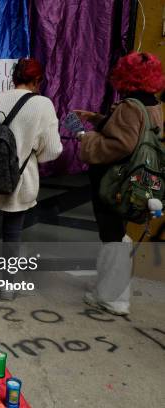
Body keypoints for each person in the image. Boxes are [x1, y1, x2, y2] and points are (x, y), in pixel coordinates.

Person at [75, 52, 164, 316]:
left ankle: (113, 297)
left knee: (112, 236)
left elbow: (121, 144)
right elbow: (132, 134)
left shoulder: (129, 106)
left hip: (115, 185)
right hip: (136, 184)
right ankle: (109, 285)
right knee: (116, 235)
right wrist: (99, 119)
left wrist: (87, 137)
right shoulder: (153, 106)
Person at [0, 58, 63, 299]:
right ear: (37, 80)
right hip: (21, 182)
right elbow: (53, 150)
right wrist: (30, 157)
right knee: (12, 233)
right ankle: (7, 286)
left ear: (13, 77)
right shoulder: (43, 105)